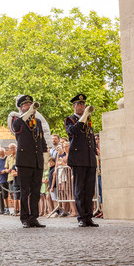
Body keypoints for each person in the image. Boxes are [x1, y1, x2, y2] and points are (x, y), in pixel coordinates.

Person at [10, 95, 47, 228]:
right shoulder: (18, 120)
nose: (30, 107)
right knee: (24, 191)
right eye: (26, 105)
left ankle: (34, 217)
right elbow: (16, 128)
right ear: (21, 108)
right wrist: (27, 113)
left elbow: (42, 141)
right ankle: (24, 218)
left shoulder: (37, 122)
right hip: (24, 161)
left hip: (36, 161)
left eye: (31, 104)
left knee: (35, 192)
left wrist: (45, 158)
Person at [65, 94, 99, 227]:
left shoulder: (88, 120)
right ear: (74, 106)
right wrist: (84, 117)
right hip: (78, 160)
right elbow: (73, 132)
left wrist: (94, 156)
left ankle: (88, 217)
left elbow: (90, 141)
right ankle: (81, 217)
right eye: (79, 104)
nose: (82, 107)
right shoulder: (70, 120)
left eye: (83, 104)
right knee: (79, 190)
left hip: (90, 159)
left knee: (89, 190)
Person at [5, 143, 20, 216]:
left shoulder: (19, 156)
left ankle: (19, 210)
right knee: (13, 195)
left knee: (18, 195)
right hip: (11, 178)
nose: (12, 149)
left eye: (13, 148)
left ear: (16, 148)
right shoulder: (8, 158)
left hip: (19, 179)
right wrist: (9, 170)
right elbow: (6, 169)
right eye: (10, 148)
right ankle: (15, 209)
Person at [0, 148, 9, 215]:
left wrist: (6, 170)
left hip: (9, 178)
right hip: (1, 180)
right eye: (0, 154)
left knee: (12, 194)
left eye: (2, 154)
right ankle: (5, 209)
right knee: (3, 195)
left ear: (4, 152)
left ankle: (15, 209)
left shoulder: (8, 158)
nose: (1, 155)